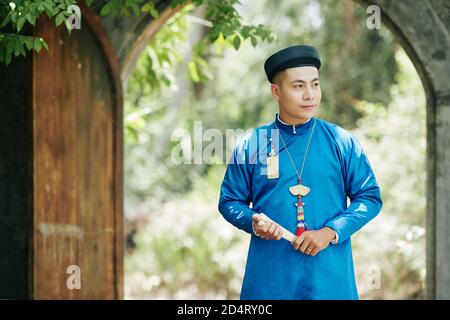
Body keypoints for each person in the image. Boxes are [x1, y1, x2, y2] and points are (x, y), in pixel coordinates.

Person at [217, 44, 382, 299]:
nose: (310, 95)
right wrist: (253, 221)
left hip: (331, 280)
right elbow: (229, 201)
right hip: (270, 281)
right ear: (276, 91)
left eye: (315, 84)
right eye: (298, 86)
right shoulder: (253, 144)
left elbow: (369, 197)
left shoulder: (340, 141)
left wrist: (330, 232)